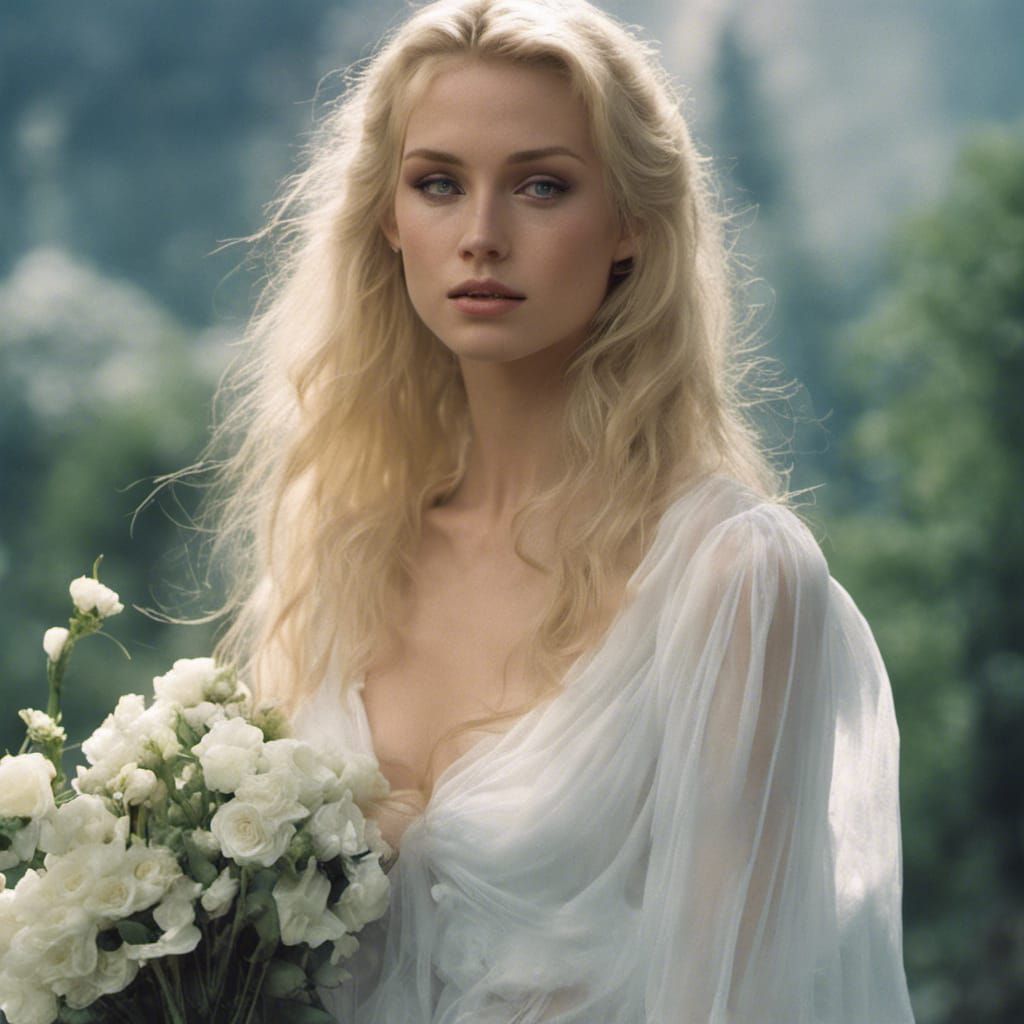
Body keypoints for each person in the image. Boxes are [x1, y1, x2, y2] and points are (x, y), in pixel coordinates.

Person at [206, 0, 916, 1019]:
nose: (481, 237)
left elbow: (735, 995)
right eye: (439, 185)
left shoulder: (730, 578)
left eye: (542, 186)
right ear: (388, 221)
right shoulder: (334, 562)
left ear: (629, 224)